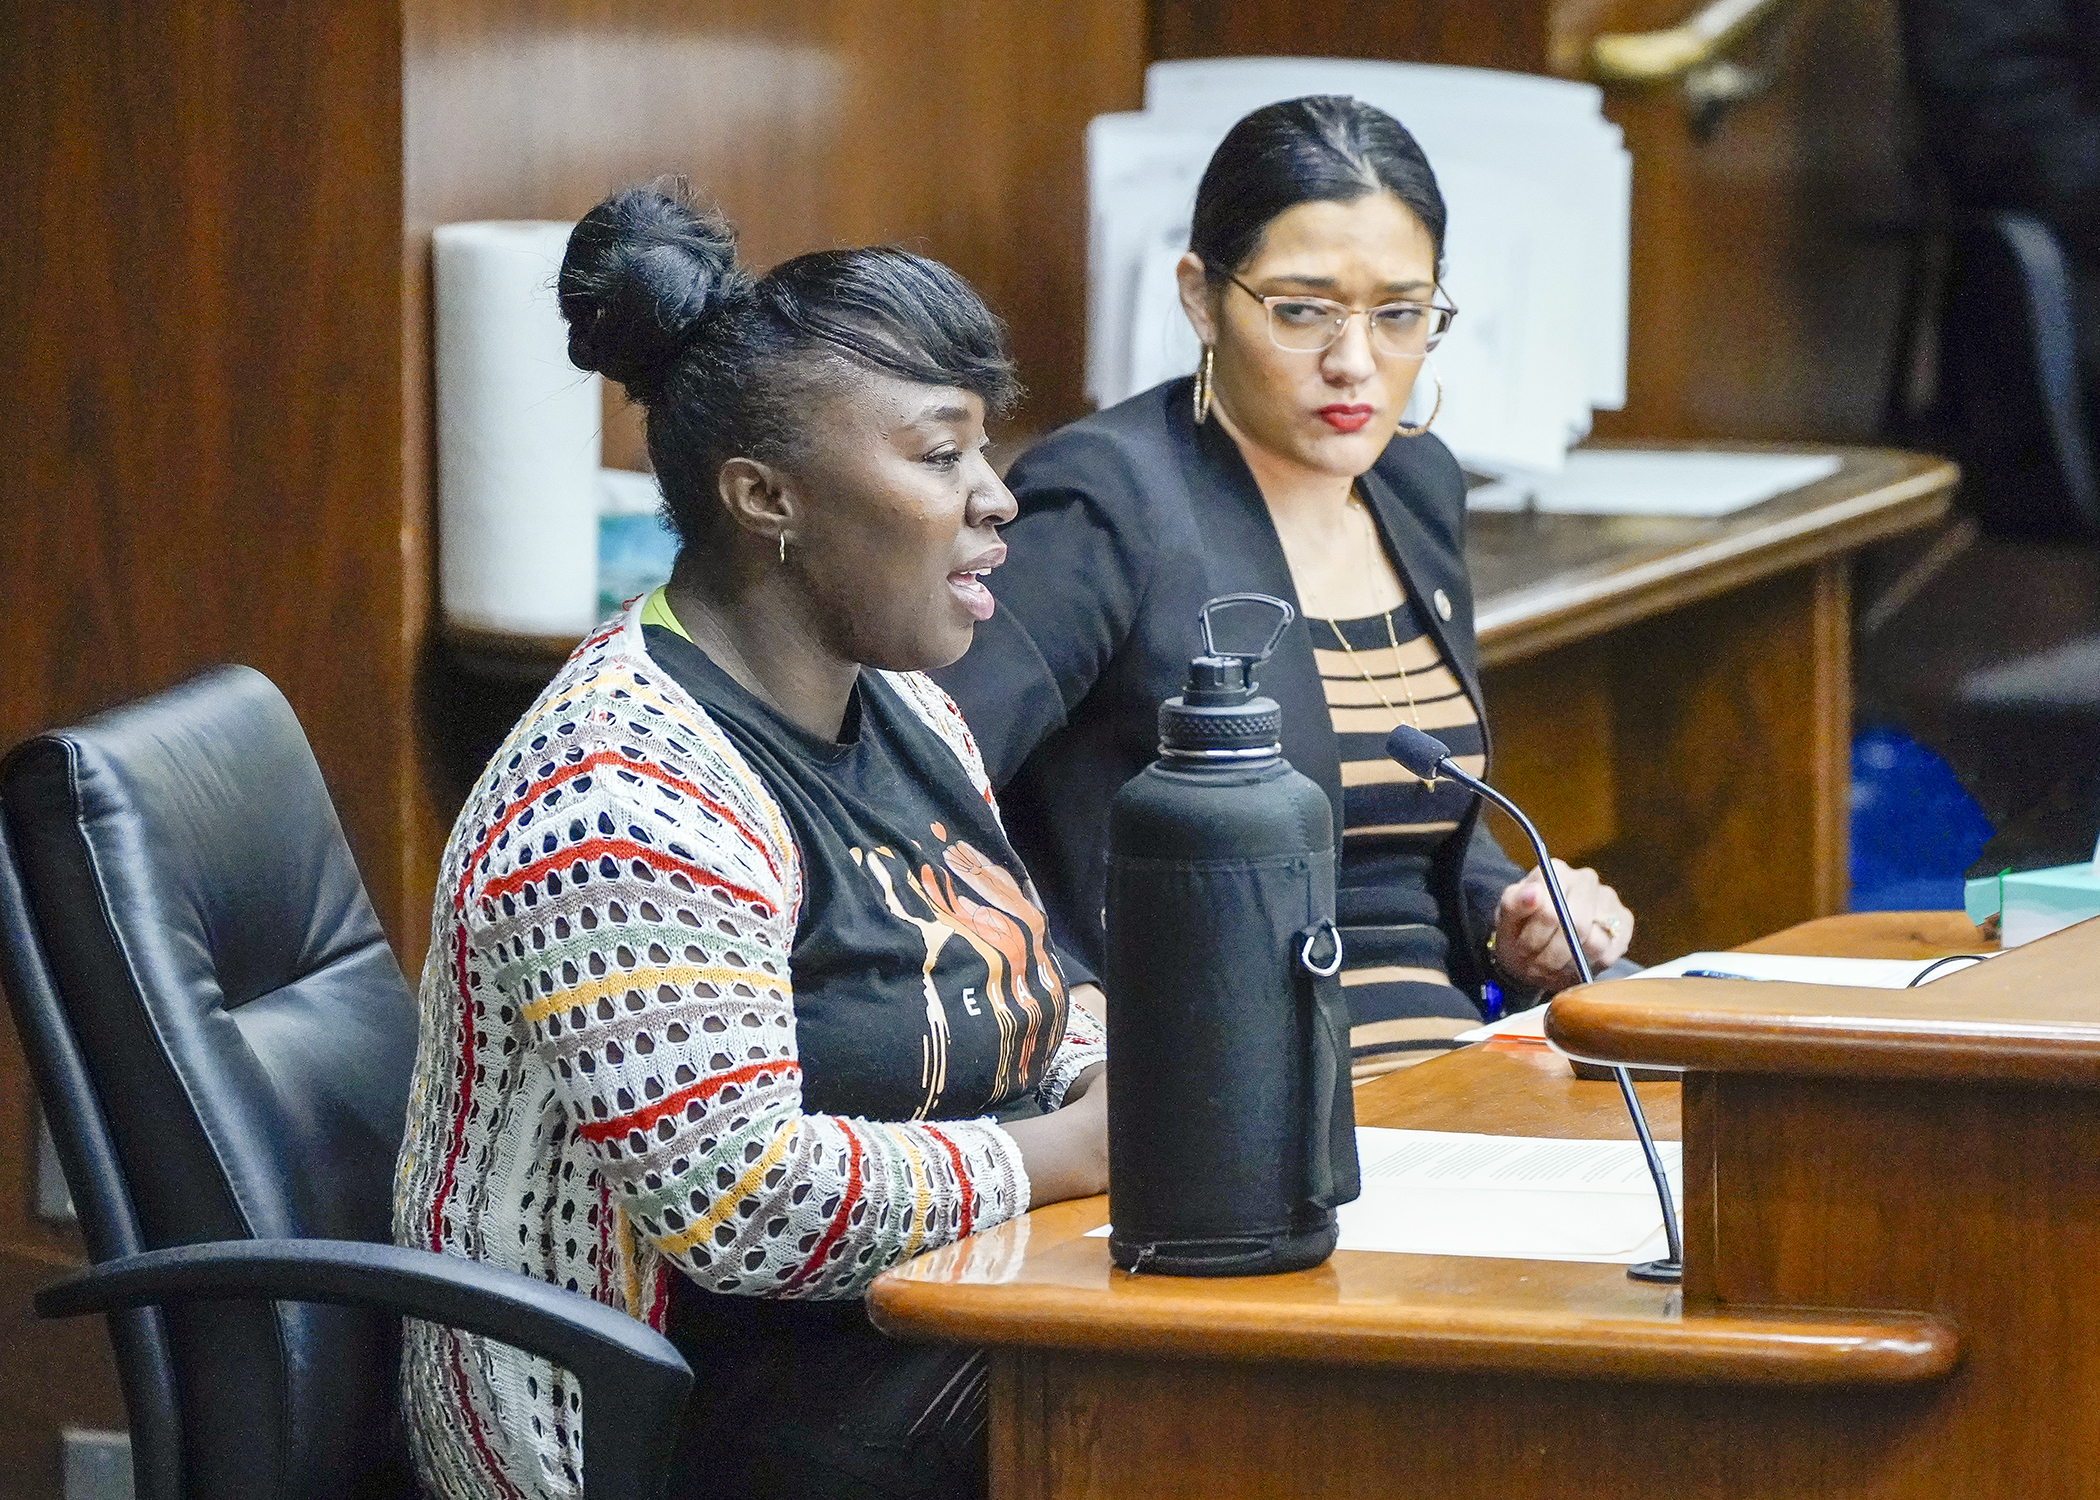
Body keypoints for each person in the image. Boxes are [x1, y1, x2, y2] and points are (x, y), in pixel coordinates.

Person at [393, 180, 1109, 1500]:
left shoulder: (906, 707)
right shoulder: (622, 797)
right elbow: (747, 1203)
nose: (997, 497)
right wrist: (1066, 1154)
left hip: (887, 1334)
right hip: (648, 1421)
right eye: (939, 454)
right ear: (766, 495)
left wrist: (1164, 1084)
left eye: (983, 450)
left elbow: (1017, 997)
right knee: (1160, 1426)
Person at [936, 97, 1633, 1081]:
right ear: (1200, 297)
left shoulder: (1414, 486)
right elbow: (920, 784)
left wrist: (1516, 923)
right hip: (1228, 1092)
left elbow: (1415, 830)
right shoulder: (1110, 502)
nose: (1355, 361)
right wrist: (1071, 1005)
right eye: (1302, 310)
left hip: (1463, 1070)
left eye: (1399, 314)